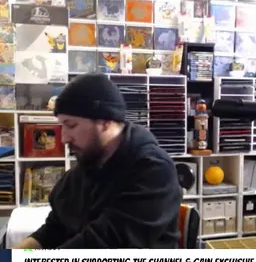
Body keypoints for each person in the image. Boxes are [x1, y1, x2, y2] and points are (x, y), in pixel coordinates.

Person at [14, 72, 181, 249]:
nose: (63, 138)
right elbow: (54, 229)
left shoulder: (154, 170)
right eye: (62, 126)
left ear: (106, 122)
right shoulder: (88, 165)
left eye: (71, 125)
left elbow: (104, 245)